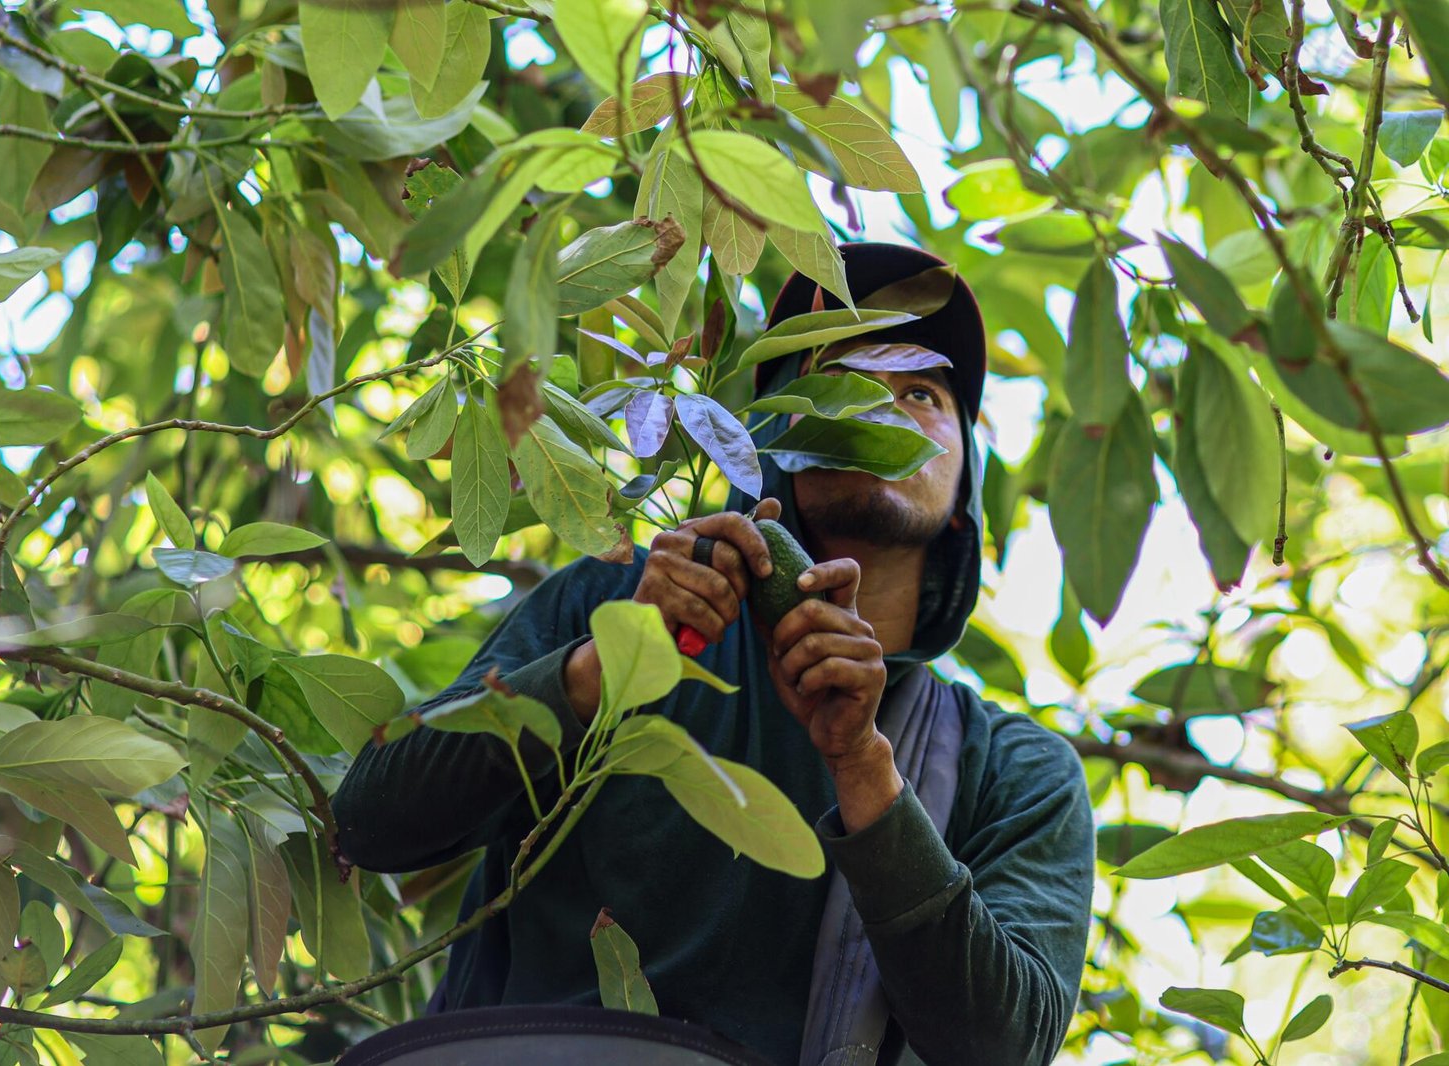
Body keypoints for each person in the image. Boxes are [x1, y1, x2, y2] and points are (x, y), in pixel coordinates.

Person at [332, 242, 1095, 1066]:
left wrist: (864, 768)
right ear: (765, 452)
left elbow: (1006, 1046)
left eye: (921, 392)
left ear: (963, 498)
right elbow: (368, 821)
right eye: (835, 382)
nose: (879, 406)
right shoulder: (609, 601)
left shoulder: (1015, 772)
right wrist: (606, 666)